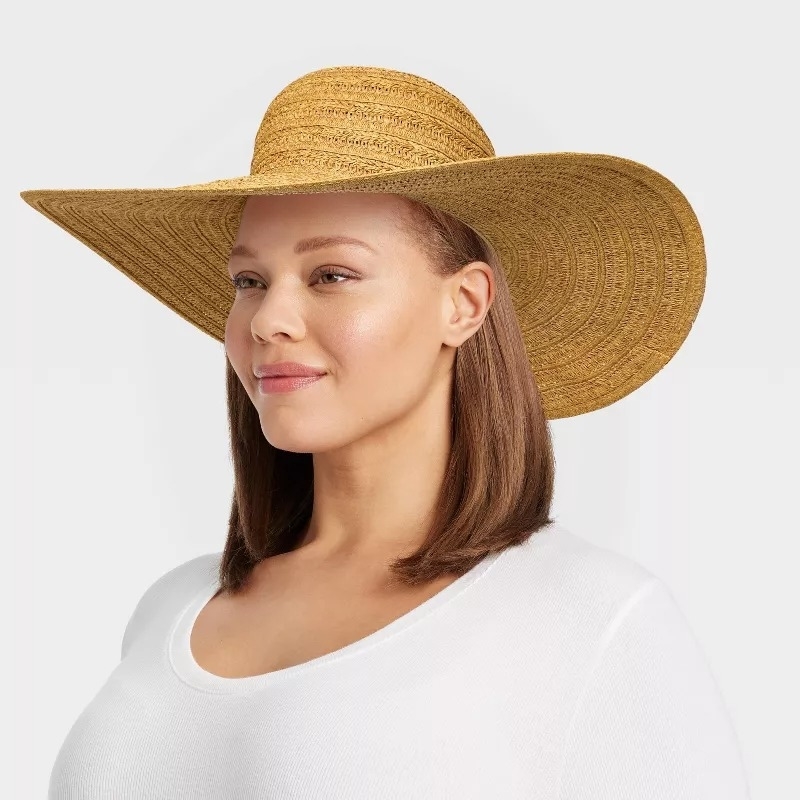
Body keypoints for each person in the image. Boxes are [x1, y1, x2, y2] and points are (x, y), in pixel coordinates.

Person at [21, 65, 751, 799]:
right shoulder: (171, 609)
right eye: (249, 281)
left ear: (464, 304)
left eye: (331, 275)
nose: (269, 319)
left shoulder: (591, 620)